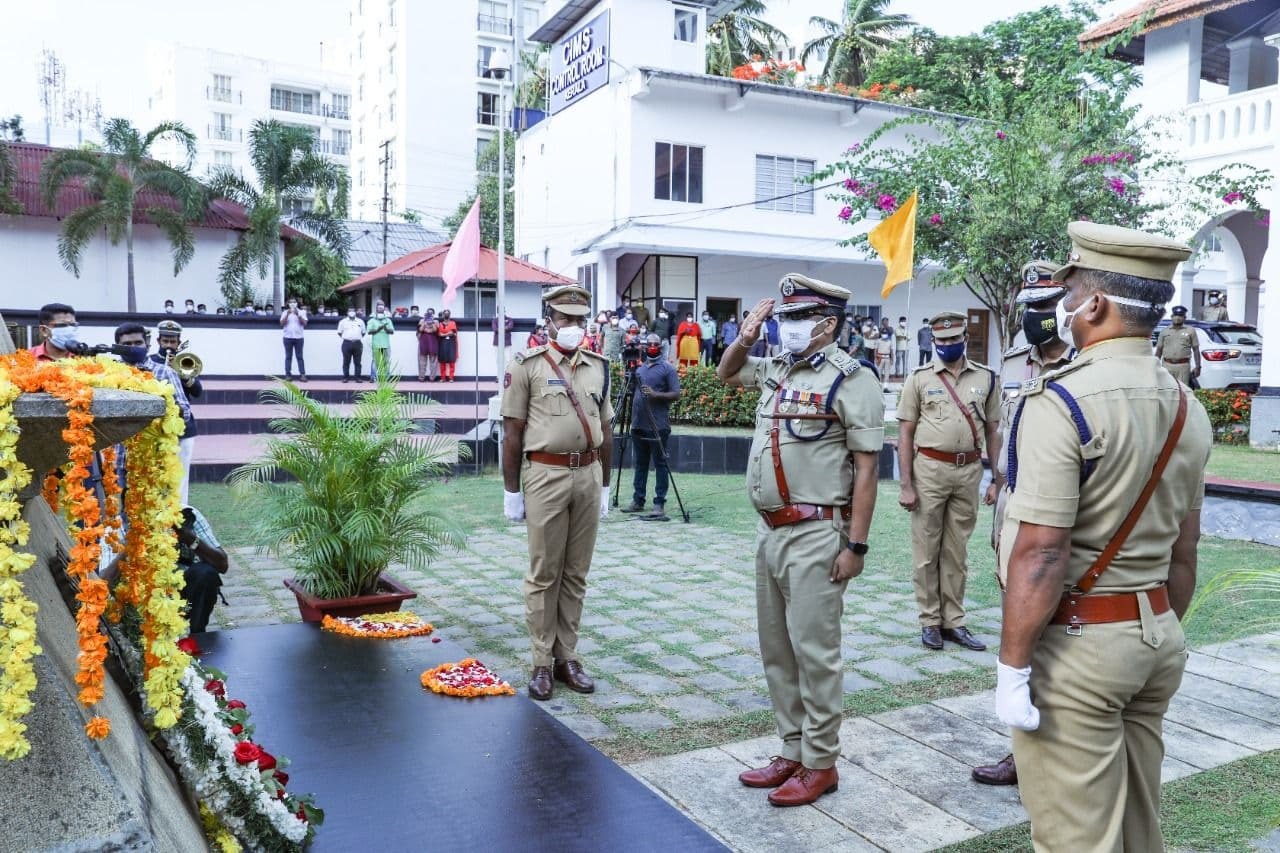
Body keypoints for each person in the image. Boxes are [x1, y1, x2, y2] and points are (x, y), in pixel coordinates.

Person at [996, 222, 1208, 851]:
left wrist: (1012, 668)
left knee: (1073, 840)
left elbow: (1041, 553)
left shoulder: (1060, 400)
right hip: (1155, 632)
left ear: (1094, 305)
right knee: (1138, 828)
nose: (1060, 311)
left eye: (1068, 295)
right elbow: (1185, 547)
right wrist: (1148, 627)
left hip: (1080, 644)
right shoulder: (1185, 404)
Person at [718, 274, 883, 807]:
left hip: (817, 533)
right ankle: (791, 750)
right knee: (778, 651)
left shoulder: (852, 379)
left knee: (815, 653)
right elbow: (727, 375)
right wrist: (746, 335)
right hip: (772, 532)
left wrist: (854, 547)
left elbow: (866, 468)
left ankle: (821, 763)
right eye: (783, 318)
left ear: (827, 324)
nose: (785, 326)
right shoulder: (777, 369)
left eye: (796, 318)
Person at [971, 259, 1073, 789]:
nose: (1034, 317)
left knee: (1058, 634)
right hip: (1013, 505)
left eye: (1044, 306)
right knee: (1020, 627)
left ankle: (1055, 752)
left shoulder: (1086, 364)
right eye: (1027, 307)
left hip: (1060, 513)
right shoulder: (1013, 359)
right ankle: (1023, 751)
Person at [501, 283, 613, 701]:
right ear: (549, 320)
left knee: (576, 573)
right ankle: (541, 662)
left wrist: (604, 487)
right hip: (544, 475)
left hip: (587, 473)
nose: (573, 326)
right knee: (544, 573)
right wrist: (512, 491)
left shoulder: (598, 365)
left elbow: (607, 429)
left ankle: (568, 656)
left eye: (580, 320)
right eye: (565, 319)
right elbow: (511, 432)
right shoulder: (526, 365)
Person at [898, 311, 999, 652]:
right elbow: (905, 433)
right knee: (927, 551)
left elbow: (993, 431)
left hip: (969, 471)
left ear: (964, 340)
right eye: (941, 341)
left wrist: (997, 479)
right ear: (933, 342)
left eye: (953, 340)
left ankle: (953, 621)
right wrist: (906, 484)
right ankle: (929, 621)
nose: (947, 345)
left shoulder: (986, 378)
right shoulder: (919, 379)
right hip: (929, 469)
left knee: (957, 551)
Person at [621, 333, 681, 519]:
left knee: (660, 464)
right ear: (645, 347)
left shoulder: (667, 369)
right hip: (638, 423)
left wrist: (656, 395)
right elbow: (632, 391)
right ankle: (638, 500)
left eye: (656, 344)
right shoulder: (639, 369)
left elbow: (676, 394)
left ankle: (659, 503)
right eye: (650, 344)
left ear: (660, 347)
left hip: (658, 424)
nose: (652, 347)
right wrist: (627, 380)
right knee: (640, 464)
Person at [148, 320, 202, 504]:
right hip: (156, 426)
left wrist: (182, 375)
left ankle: (180, 511)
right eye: (165, 341)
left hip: (183, 426)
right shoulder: (151, 362)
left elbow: (198, 391)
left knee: (181, 472)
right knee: (156, 471)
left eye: (173, 342)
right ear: (158, 341)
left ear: (179, 342)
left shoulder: (185, 361)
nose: (169, 346)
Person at [1155, 306, 1200, 387]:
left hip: (1183, 366)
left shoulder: (1190, 331)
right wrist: (1155, 365)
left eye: (1180, 316)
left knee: (1183, 391)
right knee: (1167, 389)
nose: (1177, 318)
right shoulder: (1164, 331)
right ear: (1172, 317)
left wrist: (1198, 366)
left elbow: (1196, 349)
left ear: (1184, 318)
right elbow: (1159, 350)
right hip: (1167, 365)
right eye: (1175, 315)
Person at [280, 298, 308, 381]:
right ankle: (288, 375)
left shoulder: (302, 312)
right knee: (288, 357)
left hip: (299, 338)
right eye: (290, 302)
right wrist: (287, 315)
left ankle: (302, 375)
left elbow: (304, 323)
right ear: (288, 304)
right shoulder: (285, 312)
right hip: (287, 338)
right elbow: (282, 324)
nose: (292, 303)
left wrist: (298, 314)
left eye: (294, 302)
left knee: (300, 357)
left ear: (297, 303)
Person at [366, 302, 395, 380]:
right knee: (375, 361)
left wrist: (385, 329)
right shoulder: (372, 320)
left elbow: (392, 332)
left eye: (382, 307)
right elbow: (369, 331)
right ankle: (373, 377)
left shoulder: (388, 320)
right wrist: (377, 330)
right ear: (376, 308)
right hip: (376, 344)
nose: (380, 309)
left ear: (384, 309)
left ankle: (387, 378)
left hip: (386, 344)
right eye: (379, 307)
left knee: (386, 361)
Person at [338, 307, 366, 383]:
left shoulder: (360, 321)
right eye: (350, 310)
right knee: (346, 362)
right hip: (346, 343)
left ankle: (358, 378)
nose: (351, 312)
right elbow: (339, 332)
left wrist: (355, 338)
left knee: (358, 362)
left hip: (357, 343)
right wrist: (348, 338)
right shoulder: (343, 322)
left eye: (353, 310)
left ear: (355, 312)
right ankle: (345, 377)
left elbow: (363, 332)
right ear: (347, 312)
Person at [437, 309, 459, 382]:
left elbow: (453, 333)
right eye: (445, 313)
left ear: (449, 315)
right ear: (443, 315)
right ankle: (443, 378)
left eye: (447, 313)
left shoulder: (453, 323)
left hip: (451, 343)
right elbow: (439, 334)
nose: (446, 314)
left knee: (451, 360)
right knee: (442, 360)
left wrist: (444, 334)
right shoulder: (440, 324)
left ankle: (451, 378)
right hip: (442, 343)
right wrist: (447, 333)